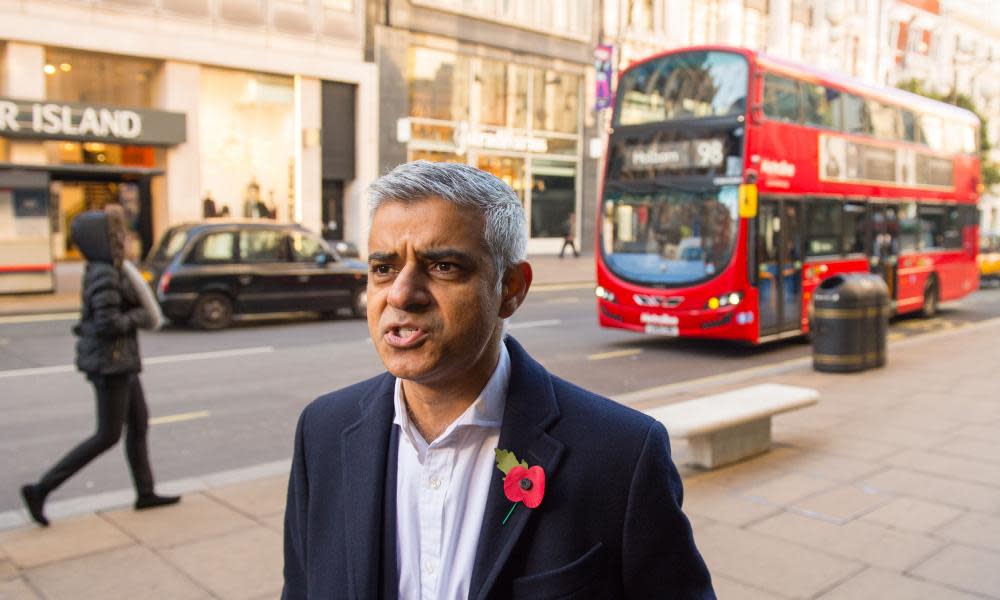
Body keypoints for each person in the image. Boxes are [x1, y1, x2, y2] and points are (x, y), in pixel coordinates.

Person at [282, 161, 714, 599]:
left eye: (443, 266)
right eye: (383, 268)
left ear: (511, 288)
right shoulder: (322, 433)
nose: (400, 294)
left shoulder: (621, 456)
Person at [20, 205, 180, 527]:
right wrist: (142, 316)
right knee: (107, 435)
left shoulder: (107, 267)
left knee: (138, 425)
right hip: (111, 366)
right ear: (102, 240)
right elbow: (107, 322)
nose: (122, 238)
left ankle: (145, 493)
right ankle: (41, 489)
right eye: (115, 234)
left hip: (121, 362)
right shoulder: (104, 272)